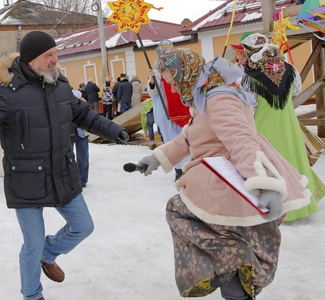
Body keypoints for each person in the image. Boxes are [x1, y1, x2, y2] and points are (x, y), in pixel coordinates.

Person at [0, 31, 129, 300]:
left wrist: (113, 129)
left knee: (83, 226)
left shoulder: (59, 83)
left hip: (61, 172)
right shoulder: (6, 92)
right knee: (32, 243)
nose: (55, 59)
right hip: (25, 179)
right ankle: (32, 294)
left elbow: (82, 113)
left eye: (55, 53)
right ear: (31, 59)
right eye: (49, 55)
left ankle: (49, 254)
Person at [133, 48, 310, 299]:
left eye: (172, 82)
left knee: (189, 217)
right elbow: (190, 136)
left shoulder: (219, 97)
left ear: (185, 72)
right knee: (225, 237)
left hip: (231, 180)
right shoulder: (205, 92)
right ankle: (233, 273)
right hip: (221, 176)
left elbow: (241, 140)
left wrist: (264, 185)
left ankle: (235, 272)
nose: (172, 89)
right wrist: (157, 158)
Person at [239, 32, 325, 223]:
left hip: (264, 126)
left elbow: (249, 105)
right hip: (288, 124)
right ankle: (303, 203)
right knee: (293, 159)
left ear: (251, 51)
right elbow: (296, 90)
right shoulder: (289, 69)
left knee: (272, 164)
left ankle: (281, 208)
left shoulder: (248, 78)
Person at [145, 40, 192, 181]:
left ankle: (189, 167)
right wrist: (152, 80)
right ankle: (179, 170)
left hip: (180, 107)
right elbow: (152, 92)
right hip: (166, 111)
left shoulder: (176, 64)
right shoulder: (157, 69)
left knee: (185, 139)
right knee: (172, 141)